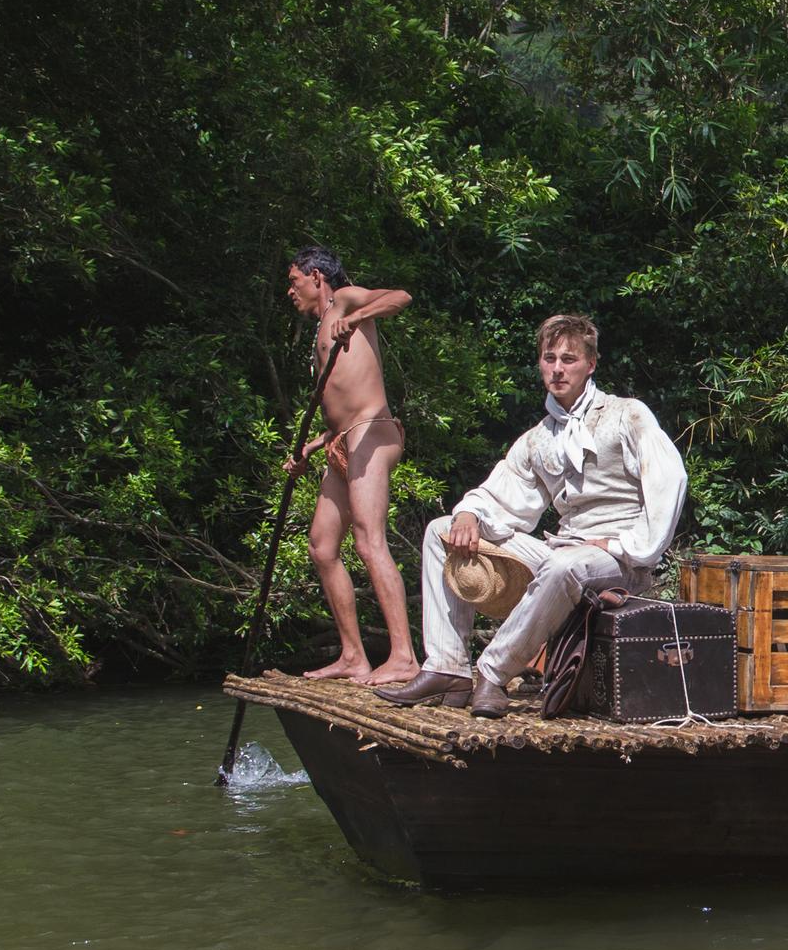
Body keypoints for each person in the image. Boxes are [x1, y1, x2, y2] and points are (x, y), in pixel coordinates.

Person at [377, 315, 687, 717]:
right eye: (549, 358)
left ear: (590, 364)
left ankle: (492, 672)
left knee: (564, 565)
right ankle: (448, 668)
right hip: (566, 553)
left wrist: (627, 545)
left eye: (569, 359)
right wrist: (470, 513)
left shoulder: (626, 415)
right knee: (443, 530)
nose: (558, 369)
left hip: (622, 561)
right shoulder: (540, 438)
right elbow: (505, 495)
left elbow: (669, 478)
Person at [282, 245, 418, 685]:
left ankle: (403, 656)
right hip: (341, 442)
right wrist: (310, 449)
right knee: (322, 546)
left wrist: (357, 317)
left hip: (372, 431)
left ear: (316, 276)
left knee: (368, 540)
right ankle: (353, 656)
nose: (290, 291)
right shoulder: (320, 332)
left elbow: (401, 296)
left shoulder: (343, 299)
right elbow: (337, 411)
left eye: (294, 281)